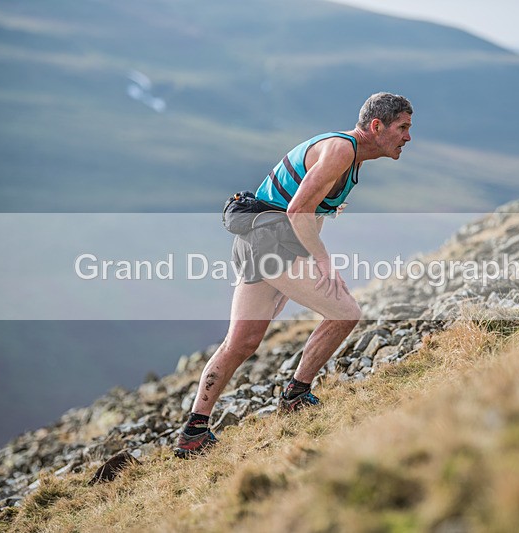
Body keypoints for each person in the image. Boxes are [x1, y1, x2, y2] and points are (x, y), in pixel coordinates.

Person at [175, 92, 413, 458]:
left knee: (242, 342)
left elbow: (306, 211)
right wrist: (322, 263)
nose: (407, 137)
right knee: (345, 312)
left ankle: (194, 432)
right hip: (272, 243)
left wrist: (290, 278)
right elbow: (299, 210)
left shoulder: (346, 155)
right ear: (377, 126)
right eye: (402, 128)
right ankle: (296, 394)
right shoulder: (341, 151)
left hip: (259, 243)